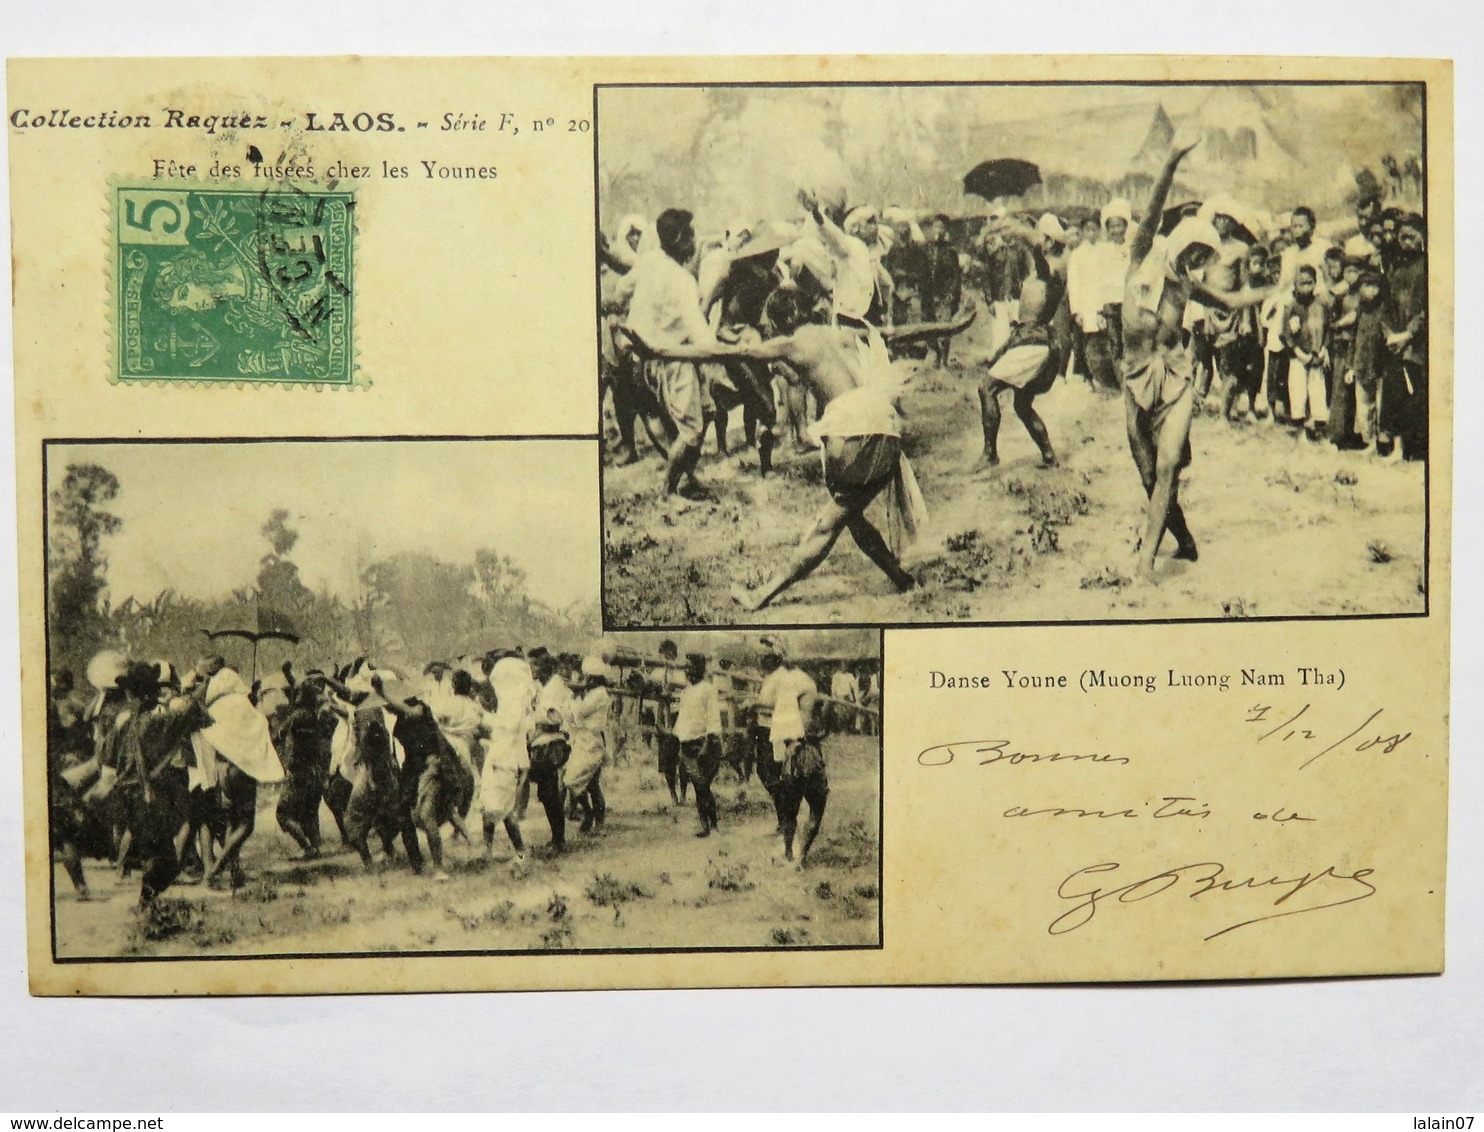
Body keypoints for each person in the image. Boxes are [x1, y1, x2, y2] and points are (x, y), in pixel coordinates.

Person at [629, 288, 975, 611]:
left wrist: (657, 351)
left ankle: (761, 595)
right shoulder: (839, 333)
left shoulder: (792, 344)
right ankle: (901, 579)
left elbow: (722, 351)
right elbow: (898, 332)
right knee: (849, 515)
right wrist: (951, 325)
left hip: (851, 427)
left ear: (780, 320)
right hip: (883, 423)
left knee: (829, 523)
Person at [1119, 133, 1274, 579]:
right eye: (1195, 252)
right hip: (1134, 378)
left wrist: (1273, 289)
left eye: (1205, 256)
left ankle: (1145, 563)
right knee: (1150, 477)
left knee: (1168, 467)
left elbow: (1230, 302)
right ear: (1179, 243)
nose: (1198, 262)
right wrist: (1171, 159)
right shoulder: (1141, 255)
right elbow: (1152, 207)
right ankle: (1183, 540)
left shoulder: (1187, 285)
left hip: (1176, 378)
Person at [612, 207, 717, 499]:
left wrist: (625, 308)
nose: (695, 242)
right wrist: (726, 353)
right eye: (691, 236)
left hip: (640, 360)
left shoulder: (648, 261)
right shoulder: (683, 280)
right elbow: (700, 334)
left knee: (675, 420)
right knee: (692, 430)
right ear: (682, 239)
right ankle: (668, 492)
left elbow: (622, 289)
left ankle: (687, 478)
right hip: (672, 360)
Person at [977, 276, 1060, 468]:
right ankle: (1049, 456)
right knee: (1022, 405)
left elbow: (1042, 263)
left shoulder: (1048, 273)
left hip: (1034, 345)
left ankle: (990, 455)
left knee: (986, 388)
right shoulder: (1035, 280)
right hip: (1035, 343)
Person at [1382, 212, 1427, 461]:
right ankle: (1398, 449)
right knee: (1396, 394)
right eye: (1402, 238)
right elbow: (1386, 306)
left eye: (1411, 237)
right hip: (1395, 344)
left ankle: (1417, 449)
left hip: (1417, 344)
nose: (1406, 242)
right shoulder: (1395, 269)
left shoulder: (1427, 267)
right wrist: (1390, 334)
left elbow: (1425, 310)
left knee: (1418, 394)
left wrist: (1408, 335)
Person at [480, 653, 532, 864]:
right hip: (498, 757)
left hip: (506, 761)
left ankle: (520, 852)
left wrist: (484, 717)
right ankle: (488, 850)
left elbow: (508, 728)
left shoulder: (515, 705)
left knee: (505, 810)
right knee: (488, 806)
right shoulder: (511, 702)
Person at [525, 647, 572, 852]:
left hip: (551, 742)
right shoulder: (545, 686)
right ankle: (557, 838)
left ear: (542, 667)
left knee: (549, 792)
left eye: (534, 665)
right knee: (546, 792)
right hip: (543, 740)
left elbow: (556, 717)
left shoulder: (555, 686)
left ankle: (559, 839)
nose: (531, 669)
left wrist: (539, 721)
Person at [672, 653, 724, 838]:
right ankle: (707, 826)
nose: (687, 670)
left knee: (703, 786)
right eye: (685, 667)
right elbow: (683, 718)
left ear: (699, 669)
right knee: (698, 786)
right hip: (687, 744)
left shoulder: (708, 689)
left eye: (690, 666)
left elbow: (713, 719)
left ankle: (713, 825)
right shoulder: (686, 691)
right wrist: (678, 739)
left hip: (705, 743)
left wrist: (706, 745)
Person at [776, 694, 831, 867]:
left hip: (803, 761)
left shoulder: (794, 717)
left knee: (796, 809)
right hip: (802, 761)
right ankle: (795, 854)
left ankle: (793, 853)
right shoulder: (801, 718)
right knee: (806, 809)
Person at [1280, 265, 1330, 441]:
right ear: (1295, 285)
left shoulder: (1321, 304)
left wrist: (1324, 348)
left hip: (1316, 355)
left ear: (1315, 283)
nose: (1306, 287)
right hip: (1298, 356)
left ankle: (1319, 430)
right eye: (1302, 283)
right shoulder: (1292, 306)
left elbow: (1328, 328)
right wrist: (1297, 351)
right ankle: (1300, 431)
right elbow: (1284, 334)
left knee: (1317, 392)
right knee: (1298, 391)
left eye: (1310, 283)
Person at [564, 657, 612, 835]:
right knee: (577, 782)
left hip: (592, 742)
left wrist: (575, 694)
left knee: (589, 784)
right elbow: (569, 715)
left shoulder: (599, 693)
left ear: (592, 678)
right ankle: (589, 814)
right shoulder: (590, 693)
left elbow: (578, 711)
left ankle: (597, 822)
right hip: (581, 740)